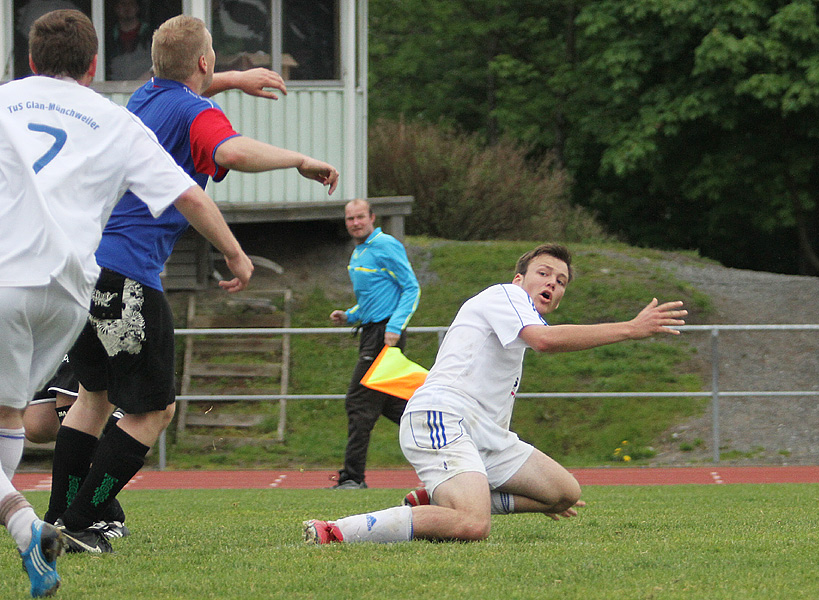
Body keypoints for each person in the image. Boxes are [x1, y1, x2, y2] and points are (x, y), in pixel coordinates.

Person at [45, 13, 338, 555]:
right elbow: (228, 152)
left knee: (92, 398)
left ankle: (59, 514)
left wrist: (229, 79)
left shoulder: (143, 99)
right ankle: (83, 524)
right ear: (203, 62)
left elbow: (181, 84)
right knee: (153, 411)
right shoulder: (197, 111)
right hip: (128, 272)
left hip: (83, 271)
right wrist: (297, 159)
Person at [0, 9, 252, 597]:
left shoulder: (8, 100)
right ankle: (55, 521)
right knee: (65, 407)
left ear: (31, 60)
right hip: (69, 291)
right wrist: (236, 254)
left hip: (8, 277)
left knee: (38, 413)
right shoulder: (115, 119)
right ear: (92, 67)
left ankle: (47, 522)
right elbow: (189, 194)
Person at [304, 243, 687, 545]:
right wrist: (631, 328)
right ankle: (337, 530)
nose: (552, 283)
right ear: (519, 280)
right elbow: (545, 341)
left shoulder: (517, 326)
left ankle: (440, 500)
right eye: (543, 273)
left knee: (564, 493)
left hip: (483, 433)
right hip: (442, 414)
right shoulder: (506, 295)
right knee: (472, 525)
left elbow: (535, 344)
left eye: (561, 281)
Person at [328, 199, 421, 489]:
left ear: (372, 218)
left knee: (358, 401)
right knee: (391, 406)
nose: (355, 223)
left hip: (384, 335)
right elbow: (375, 297)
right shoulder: (360, 251)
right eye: (349, 219)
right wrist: (349, 315)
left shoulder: (386, 245)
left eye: (360, 217)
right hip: (371, 331)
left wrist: (394, 328)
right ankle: (446, 430)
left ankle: (353, 478)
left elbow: (411, 288)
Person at [25, 356, 130, 540]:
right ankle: (119, 418)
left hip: (77, 333)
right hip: (46, 336)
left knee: (75, 408)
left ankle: (103, 515)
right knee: (37, 426)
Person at [105, 0, 153, 80]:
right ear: (116, 8)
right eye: (123, 4)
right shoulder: (108, 38)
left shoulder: (150, 35)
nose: (127, 8)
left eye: (131, 4)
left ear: (137, 7)